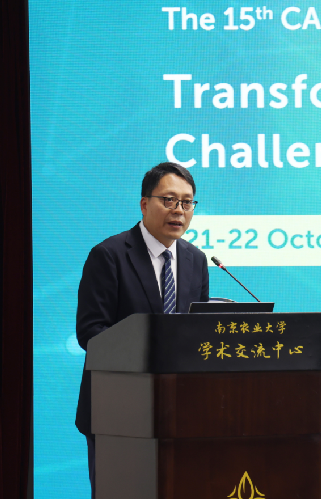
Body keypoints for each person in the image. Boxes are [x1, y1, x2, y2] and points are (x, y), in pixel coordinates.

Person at [74, 162, 210, 496]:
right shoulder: (109, 255)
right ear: (145, 204)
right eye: (169, 200)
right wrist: (150, 350)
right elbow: (90, 331)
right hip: (117, 409)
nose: (179, 210)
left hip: (180, 409)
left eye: (187, 202)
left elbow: (199, 331)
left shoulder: (196, 259)